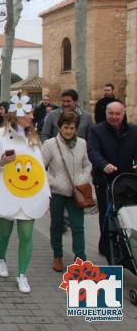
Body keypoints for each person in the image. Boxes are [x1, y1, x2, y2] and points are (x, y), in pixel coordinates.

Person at [0, 95, 49, 293]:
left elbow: (40, 169)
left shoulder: (34, 138)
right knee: (6, 232)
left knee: (26, 234)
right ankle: (1, 259)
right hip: (6, 192)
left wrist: (45, 193)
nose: (32, 117)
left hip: (29, 193)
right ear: (15, 116)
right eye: (28, 113)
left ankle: (22, 275)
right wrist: (1, 162)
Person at [42, 112, 91, 271]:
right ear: (60, 127)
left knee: (78, 226)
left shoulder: (82, 143)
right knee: (56, 225)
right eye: (66, 127)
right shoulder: (50, 144)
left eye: (72, 128)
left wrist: (82, 179)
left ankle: (80, 259)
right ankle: (57, 255)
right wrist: (53, 182)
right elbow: (41, 168)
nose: (69, 131)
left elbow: (87, 165)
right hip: (57, 192)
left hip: (77, 191)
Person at [87, 101, 137, 259]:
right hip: (104, 179)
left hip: (127, 180)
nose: (114, 117)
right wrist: (104, 165)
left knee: (126, 214)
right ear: (106, 114)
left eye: (118, 114)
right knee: (106, 214)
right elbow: (93, 151)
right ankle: (107, 246)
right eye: (111, 113)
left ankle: (125, 246)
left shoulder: (134, 130)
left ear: (123, 114)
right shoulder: (97, 130)